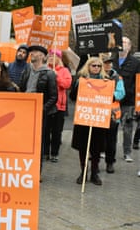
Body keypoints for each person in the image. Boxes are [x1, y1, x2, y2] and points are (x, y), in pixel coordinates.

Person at [70, 57, 110, 185]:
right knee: (83, 147)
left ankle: (94, 173)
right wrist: (80, 85)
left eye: (99, 66)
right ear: (88, 66)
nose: (96, 68)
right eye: (94, 65)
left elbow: (112, 98)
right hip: (84, 118)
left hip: (98, 119)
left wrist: (107, 87)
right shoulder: (80, 79)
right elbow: (72, 97)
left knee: (96, 148)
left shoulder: (106, 80)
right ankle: (84, 172)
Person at [19, 45, 57, 174]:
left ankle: (36, 171)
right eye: (31, 52)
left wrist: (42, 109)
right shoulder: (26, 70)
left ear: (42, 56)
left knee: (38, 142)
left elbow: (53, 97)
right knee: (23, 140)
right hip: (25, 111)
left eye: (35, 52)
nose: (32, 54)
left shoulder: (49, 73)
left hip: (40, 113)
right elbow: (21, 88)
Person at [112, 36, 140, 163]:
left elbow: (138, 83)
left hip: (128, 102)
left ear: (129, 46)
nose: (122, 45)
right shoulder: (111, 60)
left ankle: (127, 152)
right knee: (111, 127)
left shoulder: (136, 62)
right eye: (120, 42)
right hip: (112, 101)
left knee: (128, 128)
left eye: (125, 43)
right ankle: (106, 150)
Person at [44, 49, 72, 163]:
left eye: (54, 56)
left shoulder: (64, 70)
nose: (51, 58)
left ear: (59, 58)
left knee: (56, 131)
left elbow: (67, 84)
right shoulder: (45, 69)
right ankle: (45, 152)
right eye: (50, 56)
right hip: (47, 104)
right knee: (45, 130)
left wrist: (57, 77)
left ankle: (55, 153)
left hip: (59, 105)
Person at [101, 53, 125, 174]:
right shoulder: (96, 76)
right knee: (98, 140)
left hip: (113, 116)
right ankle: (95, 163)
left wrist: (108, 94)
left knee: (111, 141)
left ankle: (110, 163)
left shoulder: (117, 78)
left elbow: (121, 93)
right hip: (98, 114)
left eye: (109, 62)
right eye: (105, 63)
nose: (108, 65)